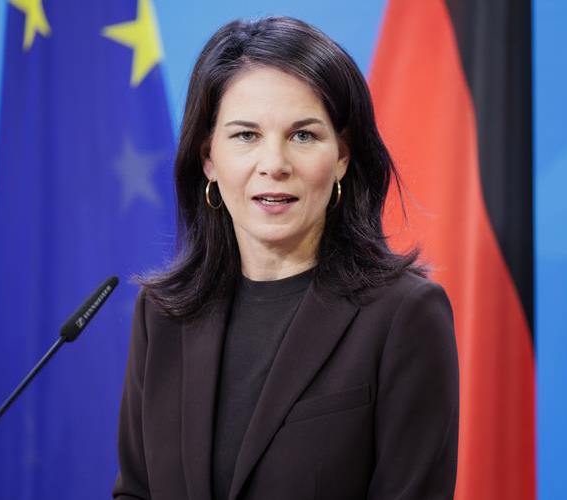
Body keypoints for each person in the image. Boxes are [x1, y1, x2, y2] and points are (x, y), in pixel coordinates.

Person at [113, 16, 459, 500]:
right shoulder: (162, 315)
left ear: (342, 156)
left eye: (303, 136)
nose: (274, 164)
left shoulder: (404, 315)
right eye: (245, 135)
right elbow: (137, 490)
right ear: (208, 157)